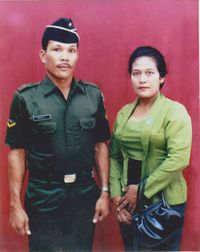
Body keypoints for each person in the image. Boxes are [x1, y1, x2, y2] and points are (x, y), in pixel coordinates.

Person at [5, 17, 111, 252]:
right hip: (43, 194)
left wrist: (104, 192)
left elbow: (100, 145)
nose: (65, 56)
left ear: (77, 55)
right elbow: (17, 152)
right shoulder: (25, 98)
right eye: (57, 49)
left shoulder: (92, 96)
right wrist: (15, 205)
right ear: (43, 55)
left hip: (84, 193)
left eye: (71, 50)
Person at [109, 46, 192, 251]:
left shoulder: (175, 112)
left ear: (161, 77)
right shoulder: (124, 113)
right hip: (127, 204)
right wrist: (117, 198)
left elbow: (179, 159)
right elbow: (115, 157)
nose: (142, 79)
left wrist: (141, 191)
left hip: (163, 206)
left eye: (149, 73)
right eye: (136, 73)